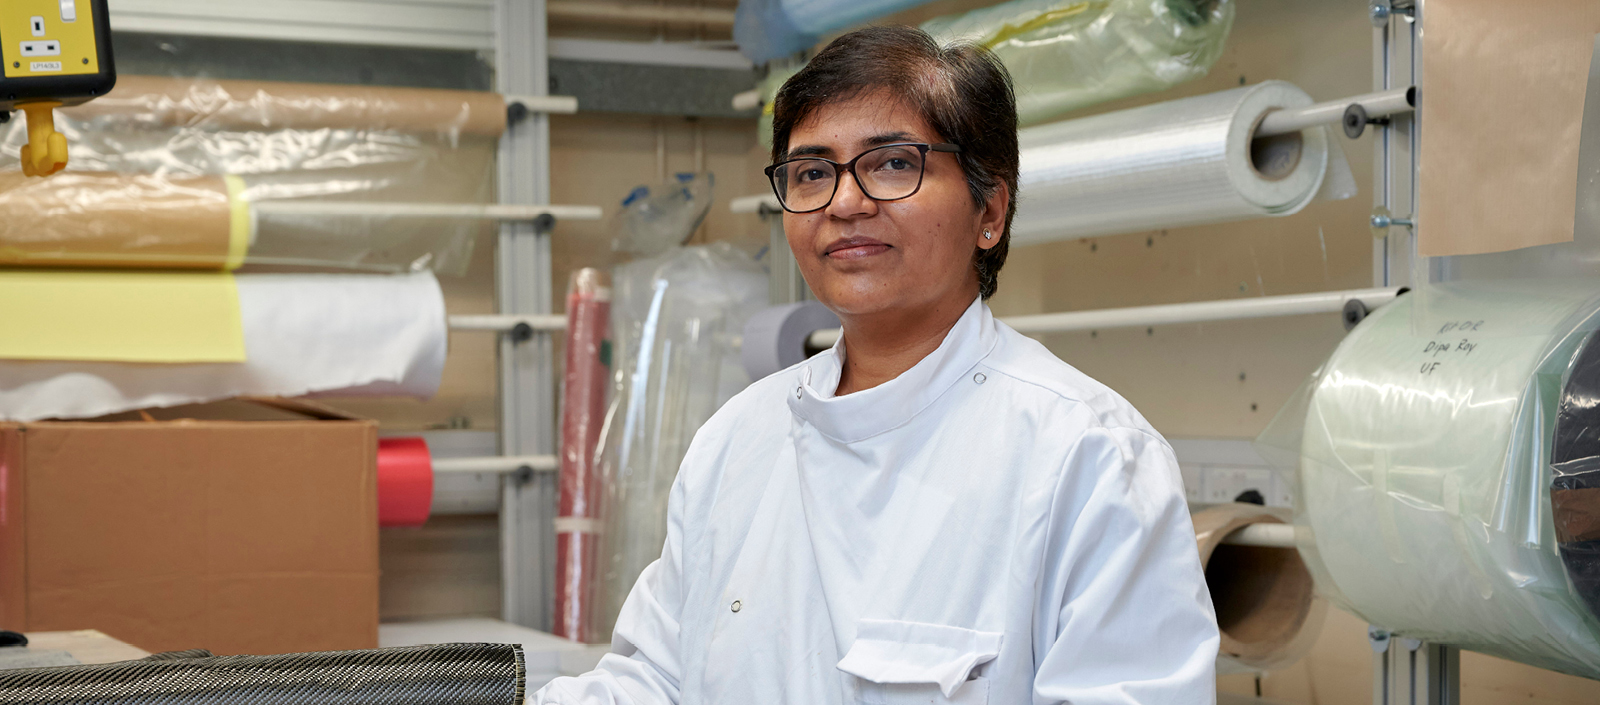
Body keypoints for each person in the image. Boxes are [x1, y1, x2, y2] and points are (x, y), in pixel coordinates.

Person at [534, 25, 1219, 705]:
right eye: (811, 173)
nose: (844, 202)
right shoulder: (736, 439)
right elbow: (655, 679)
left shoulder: (1089, 456)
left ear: (990, 210)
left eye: (893, 163)